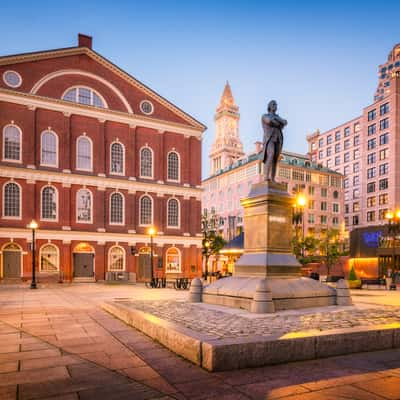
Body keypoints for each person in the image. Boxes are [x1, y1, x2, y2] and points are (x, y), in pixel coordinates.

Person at [261, 100, 287, 182]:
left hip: (278, 139)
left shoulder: (277, 117)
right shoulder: (264, 115)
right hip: (269, 139)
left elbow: (285, 122)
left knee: (275, 159)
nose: (275, 106)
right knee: (271, 155)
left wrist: (276, 119)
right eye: (273, 104)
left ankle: (272, 178)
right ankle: (266, 176)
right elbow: (269, 121)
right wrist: (277, 120)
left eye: (276, 104)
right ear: (269, 106)